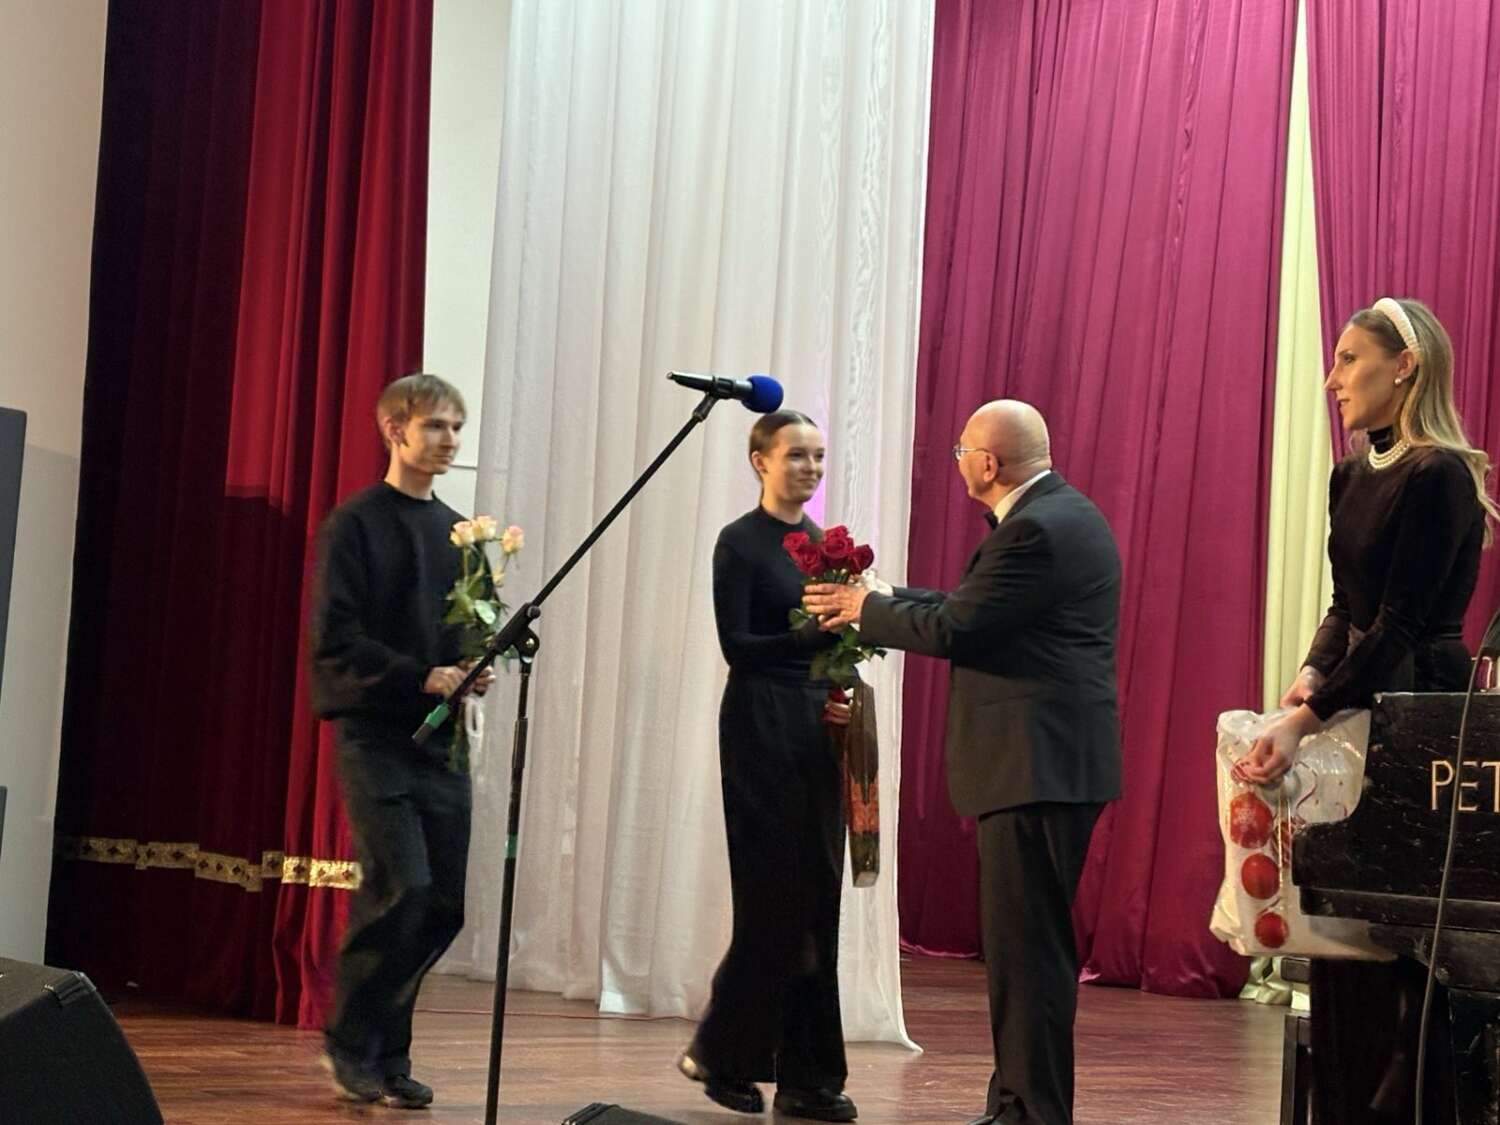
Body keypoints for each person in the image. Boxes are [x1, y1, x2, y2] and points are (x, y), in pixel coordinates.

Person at [804, 400, 1121, 1125]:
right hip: (1049, 764)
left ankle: (1032, 1111)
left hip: (1035, 765)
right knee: (1022, 953)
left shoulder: (1034, 529)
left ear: (987, 462)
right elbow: (975, 609)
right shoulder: (1063, 514)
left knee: (1028, 955)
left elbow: (959, 627)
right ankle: (1016, 1102)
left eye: (960, 451)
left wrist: (861, 609)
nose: (957, 463)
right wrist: (883, 596)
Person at [1241, 297, 1497, 1124]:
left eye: (1350, 358)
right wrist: (1311, 671)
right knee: (1342, 933)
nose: (1334, 377)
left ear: (1405, 365)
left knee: (1403, 944)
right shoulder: (1350, 475)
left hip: (1424, 717)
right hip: (1359, 701)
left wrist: (1305, 718)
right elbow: (1347, 607)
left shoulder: (1440, 475)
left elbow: (1400, 627)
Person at [308, 373, 494, 1109]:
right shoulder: (354, 525)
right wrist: (422, 675)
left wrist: (473, 667)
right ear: (395, 429)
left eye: (456, 428)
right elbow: (336, 639)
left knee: (442, 903)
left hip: (441, 745)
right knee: (401, 887)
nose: (449, 440)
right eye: (436, 426)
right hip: (376, 737)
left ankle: (390, 1052)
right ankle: (350, 1042)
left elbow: (466, 635)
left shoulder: (459, 534)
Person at [677, 409, 858, 1122]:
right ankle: (724, 1051)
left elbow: (836, 648)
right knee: (773, 898)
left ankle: (807, 1077)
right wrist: (811, 635)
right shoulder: (739, 542)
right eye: (797, 455)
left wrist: (841, 685)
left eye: (818, 456)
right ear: (760, 461)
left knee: (818, 901)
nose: (811, 468)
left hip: (816, 728)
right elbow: (738, 647)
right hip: (759, 724)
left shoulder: (823, 546)